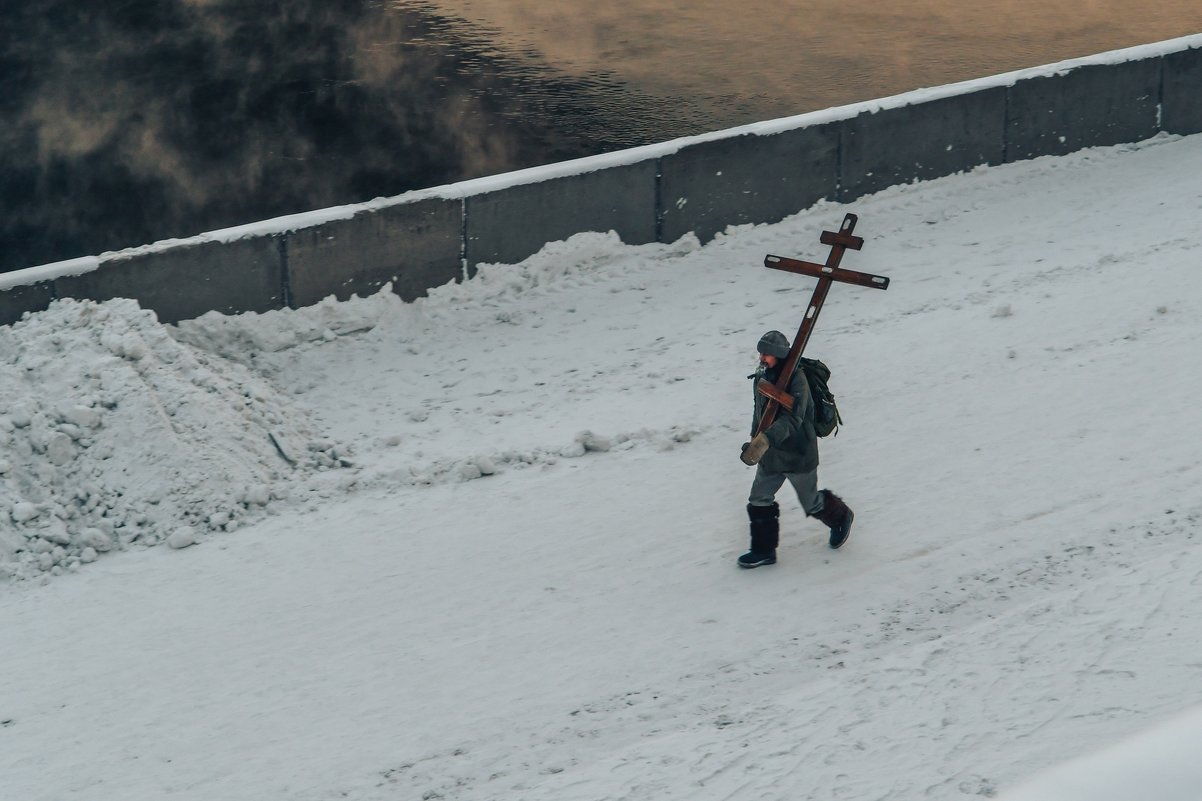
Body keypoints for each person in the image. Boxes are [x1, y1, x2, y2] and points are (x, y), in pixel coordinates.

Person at [737, 330, 854, 568]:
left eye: (767, 354)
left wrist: (766, 439)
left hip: (797, 454)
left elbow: (795, 418)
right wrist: (754, 438)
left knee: (811, 502)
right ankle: (763, 550)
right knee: (759, 498)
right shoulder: (762, 376)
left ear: (779, 355)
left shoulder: (797, 379)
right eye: (761, 353)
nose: (762, 358)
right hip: (770, 456)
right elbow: (758, 411)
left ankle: (841, 517)